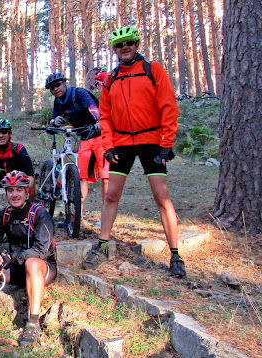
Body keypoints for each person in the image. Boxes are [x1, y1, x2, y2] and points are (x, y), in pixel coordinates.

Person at [81, 25, 186, 278]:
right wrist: (108, 145)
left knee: (162, 197)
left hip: (152, 140)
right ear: (114, 50)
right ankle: (102, 246)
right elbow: (104, 116)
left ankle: (175, 255)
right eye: (119, 45)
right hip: (122, 143)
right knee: (110, 196)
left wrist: (166, 143)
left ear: (137, 45)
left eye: (129, 42)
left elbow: (169, 106)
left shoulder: (153, 70)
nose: (124, 47)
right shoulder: (111, 79)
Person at [0, 170, 57, 347]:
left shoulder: (40, 214)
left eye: (19, 190)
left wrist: (10, 257)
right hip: (15, 269)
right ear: (6, 193)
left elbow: (41, 250)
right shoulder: (5, 214)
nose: (15, 195)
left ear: (26, 192)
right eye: (10, 191)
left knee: (32, 262)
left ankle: (33, 322)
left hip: (41, 268)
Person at [45, 72, 109, 228]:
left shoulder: (79, 93)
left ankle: (107, 217)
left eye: (58, 85)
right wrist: (55, 121)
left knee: (106, 177)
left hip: (102, 136)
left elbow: (93, 107)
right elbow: (53, 121)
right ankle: (76, 216)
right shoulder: (59, 102)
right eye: (52, 88)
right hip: (85, 139)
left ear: (65, 83)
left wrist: (99, 121)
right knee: (81, 177)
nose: (56, 89)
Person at [0, 119, 36, 201]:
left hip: (18, 186)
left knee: (31, 181)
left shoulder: (19, 149)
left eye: (4, 132)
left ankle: (29, 209)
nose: (1, 135)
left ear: (10, 134)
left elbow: (29, 175)